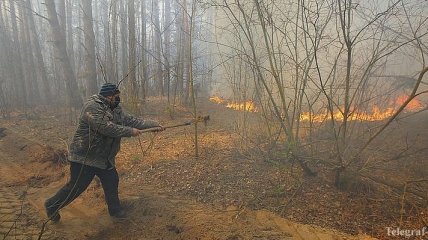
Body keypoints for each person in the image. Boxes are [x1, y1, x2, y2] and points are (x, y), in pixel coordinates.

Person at [44, 83, 164, 222]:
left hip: (104, 157)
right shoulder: (92, 107)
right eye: (117, 96)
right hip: (85, 156)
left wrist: (154, 124)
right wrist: (129, 132)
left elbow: (131, 120)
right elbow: (106, 128)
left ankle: (115, 211)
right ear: (109, 96)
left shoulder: (115, 108)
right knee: (77, 187)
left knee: (112, 180)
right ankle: (52, 205)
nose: (119, 99)